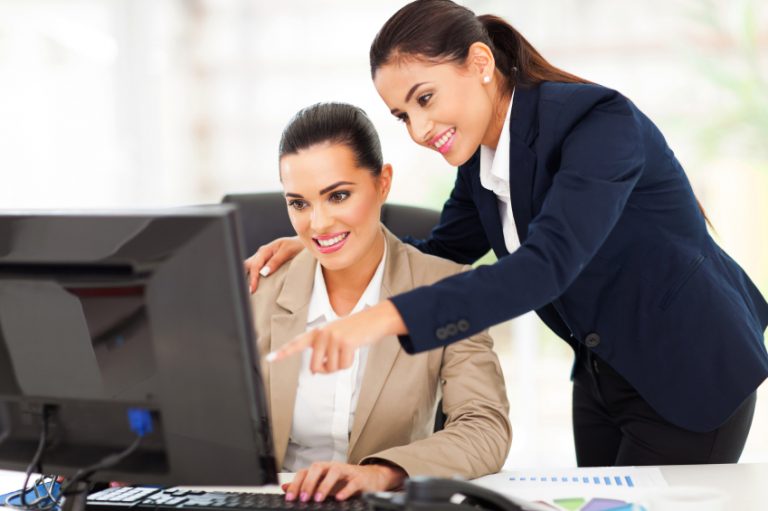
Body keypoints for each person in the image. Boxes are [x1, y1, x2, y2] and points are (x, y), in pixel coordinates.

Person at [250, 0, 768, 466]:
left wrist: (378, 320)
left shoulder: (600, 124)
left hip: (692, 368)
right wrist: (330, 239)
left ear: (480, 63)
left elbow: (545, 266)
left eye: (425, 98)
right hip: (603, 372)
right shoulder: (482, 164)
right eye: (403, 115)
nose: (420, 130)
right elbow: (436, 255)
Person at [252, 102, 511, 501]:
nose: (318, 224)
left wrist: (382, 472)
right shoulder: (259, 291)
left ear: (383, 183)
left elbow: (485, 427)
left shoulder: (444, 287)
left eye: (337, 196)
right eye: (299, 203)